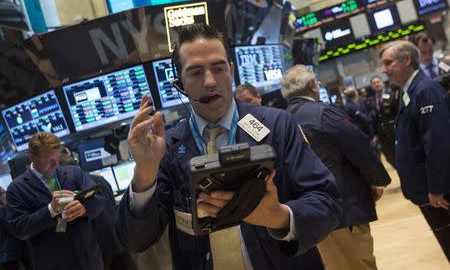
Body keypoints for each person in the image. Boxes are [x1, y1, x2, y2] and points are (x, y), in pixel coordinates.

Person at [116, 23, 342, 269]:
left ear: (231, 70)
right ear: (179, 83)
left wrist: (277, 216)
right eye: (195, 72)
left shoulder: (278, 125)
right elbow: (135, 240)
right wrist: (146, 169)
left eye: (218, 68)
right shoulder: (168, 147)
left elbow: (327, 202)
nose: (210, 81)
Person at [281, 65, 391, 270]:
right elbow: (359, 146)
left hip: (308, 215)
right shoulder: (323, 112)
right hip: (343, 209)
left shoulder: (281, 122)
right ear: (313, 86)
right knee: (360, 264)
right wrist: (377, 179)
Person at [379, 40, 450, 261]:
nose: (384, 69)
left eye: (388, 63)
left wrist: (437, 188)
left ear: (406, 60)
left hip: (439, 193)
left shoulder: (425, 90)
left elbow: (438, 143)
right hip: (427, 191)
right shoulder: (410, 90)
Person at [6, 132, 105, 270]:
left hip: (89, 260)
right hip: (53, 263)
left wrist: (84, 209)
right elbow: (19, 229)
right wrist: (51, 210)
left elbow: (99, 199)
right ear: (32, 156)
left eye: (57, 159)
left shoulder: (74, 173)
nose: (55, 164)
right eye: (49, 160)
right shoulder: (16, 189)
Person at [365, 76, 400, 167]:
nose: (376, 84)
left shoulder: (391, 94)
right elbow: (373, 119)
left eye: (378, 82)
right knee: (390, 158)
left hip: (395, 132)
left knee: (402, 157)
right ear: (372, 87)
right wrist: (375, 135)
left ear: (382, 83)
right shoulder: (370, 101)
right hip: (382, 136)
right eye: (374, 83)